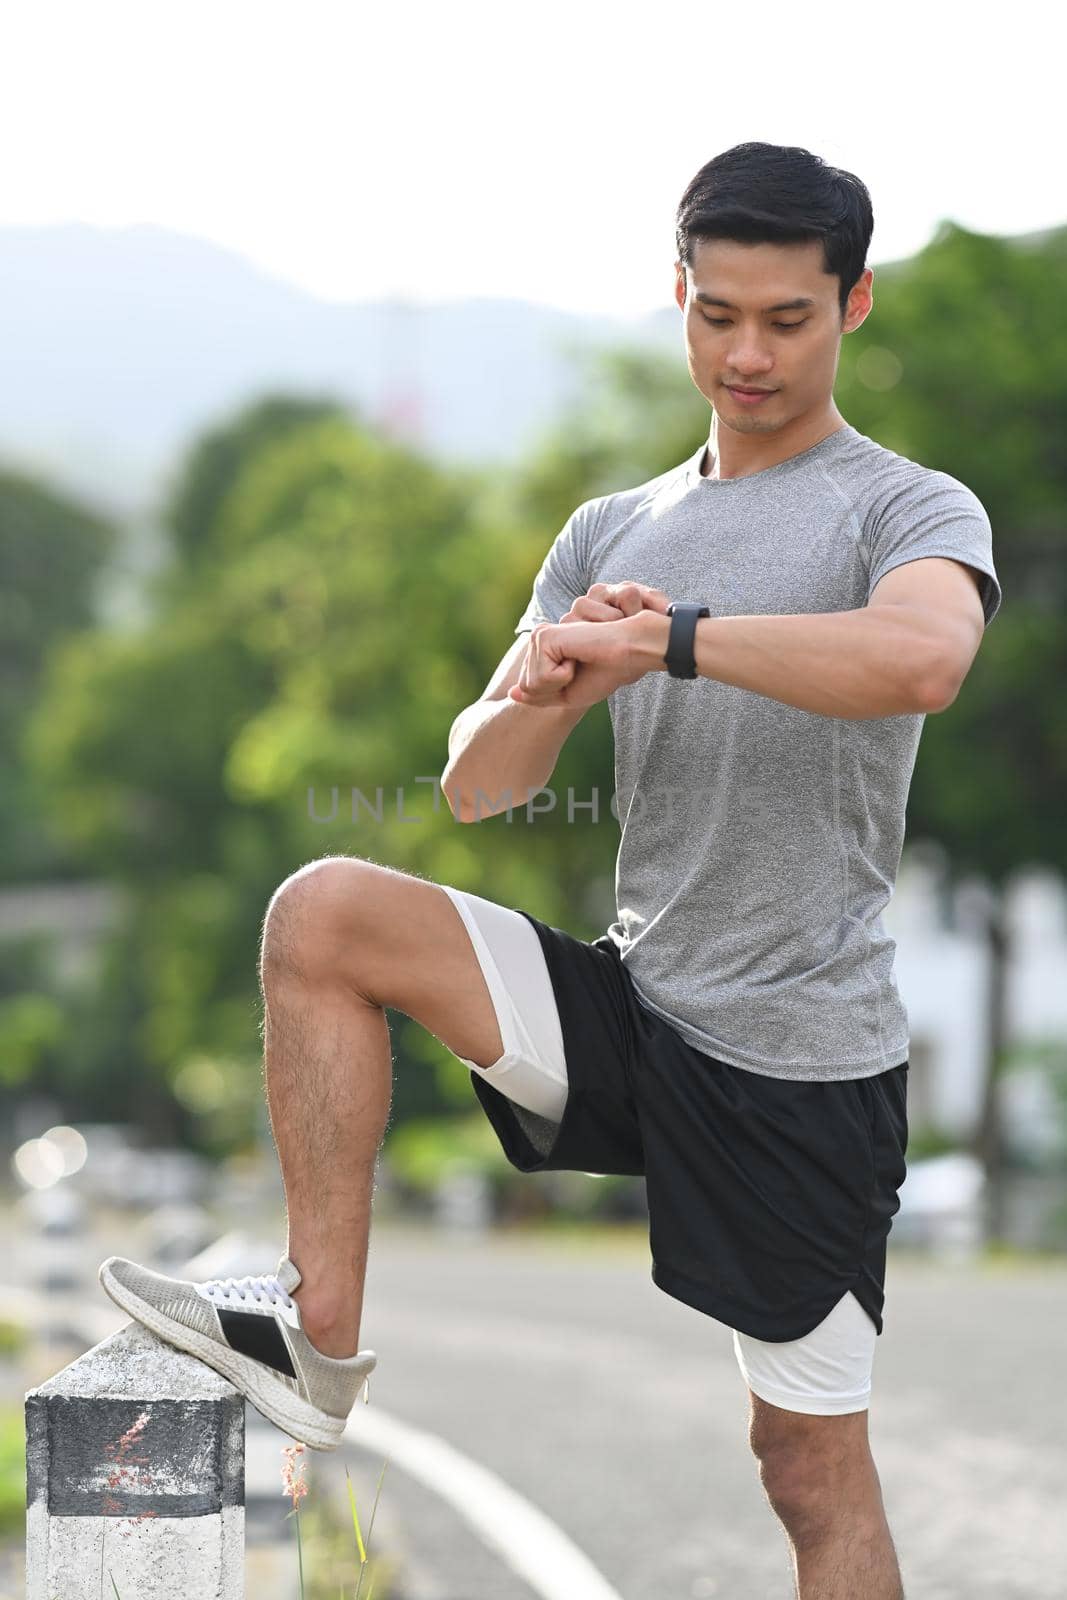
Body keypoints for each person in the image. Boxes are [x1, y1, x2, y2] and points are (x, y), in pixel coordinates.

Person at [99, 141, 1001, 1598]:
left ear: (855, 307)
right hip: (635, 1012)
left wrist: (673, 639)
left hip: (799, 1062)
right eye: (717, 314)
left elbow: (923, 662)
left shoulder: (903, 508)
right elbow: (474, 784)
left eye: (787, 318)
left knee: (806, 1468)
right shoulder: (613, 526)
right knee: (324, 913)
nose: (748, 351)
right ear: (679, 298)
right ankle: (318, 1330)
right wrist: (561, 679)